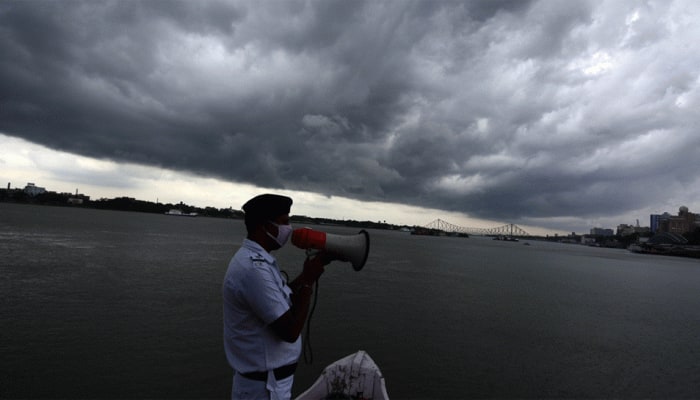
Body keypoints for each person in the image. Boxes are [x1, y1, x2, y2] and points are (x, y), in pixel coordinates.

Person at [223, 194, 329, 400]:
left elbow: (283, 299)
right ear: (264, 226)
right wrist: (308, 282)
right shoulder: (253, 269)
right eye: (284, 222)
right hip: (264, 389)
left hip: (269, 385)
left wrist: (317, 267)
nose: (288, 229)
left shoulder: (259, 262)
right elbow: (289, 331)